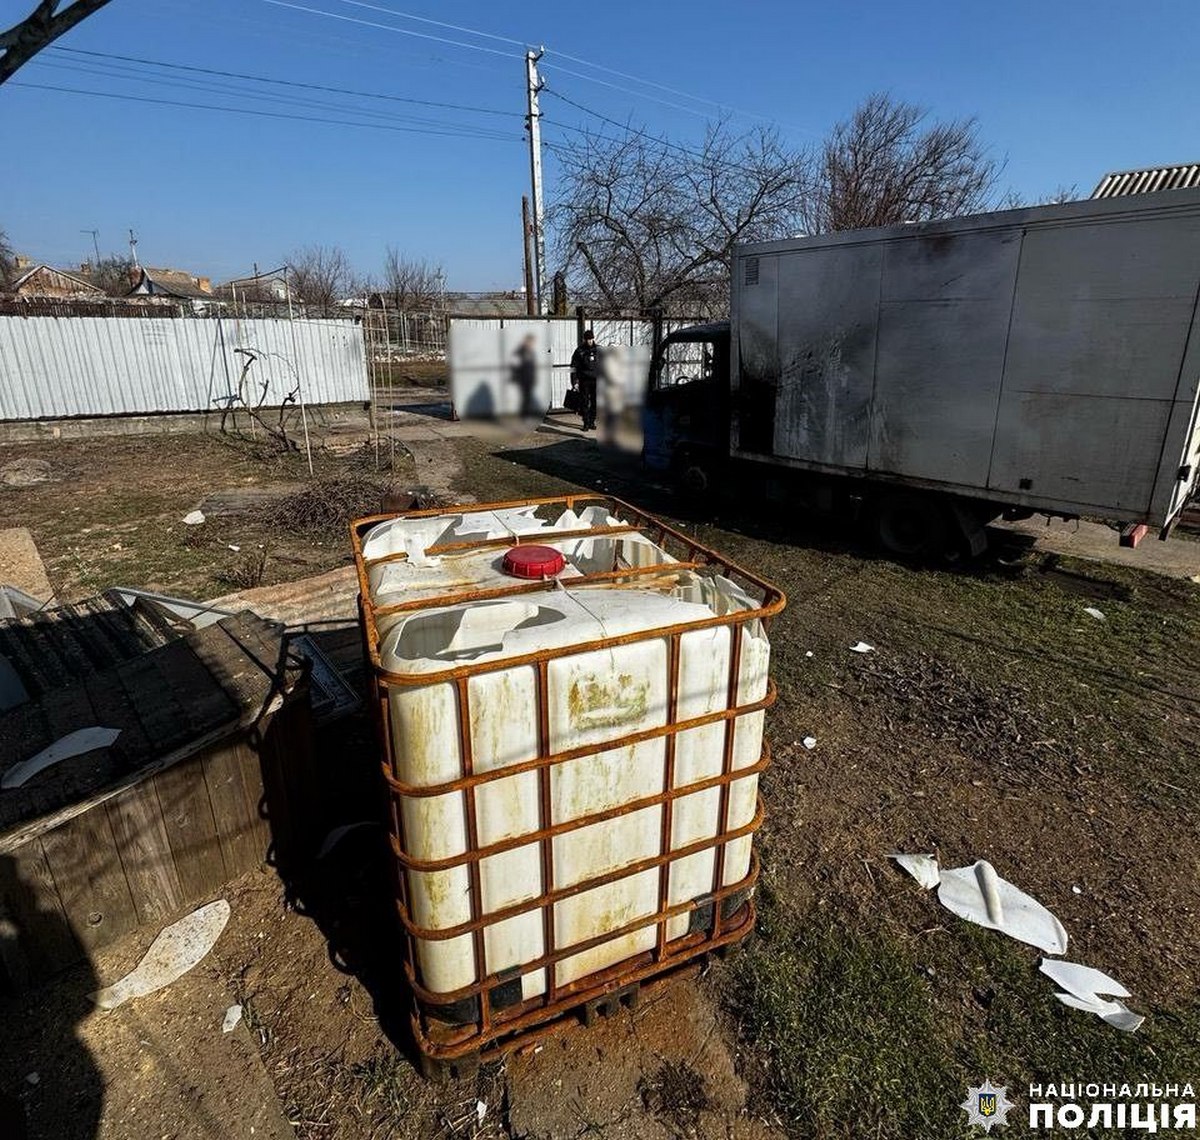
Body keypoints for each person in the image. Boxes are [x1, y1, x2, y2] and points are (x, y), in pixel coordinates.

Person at [569, 328, 602, 431]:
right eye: (588, 339)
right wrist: (574, 382)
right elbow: (574, 367)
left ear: (593, 338)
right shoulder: (579, 351)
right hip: (584, 380)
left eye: (591, 339)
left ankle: (592, 421)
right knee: (584, 402)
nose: (590, 341)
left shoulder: (599, 350)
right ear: (584, 340)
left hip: (596, 380)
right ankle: (586, 423)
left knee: (595, 402)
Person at [510, 333, 538, 419]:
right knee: (524, 398)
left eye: (532, 342)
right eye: (529, 341)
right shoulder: (519, 352)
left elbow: (533, 366)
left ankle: (526, 415)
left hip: (529, 378)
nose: (531, 344)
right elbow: (514, 365)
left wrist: (534, 377)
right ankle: (524, 416)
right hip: (522, 379)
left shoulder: (531, 352)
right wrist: (516, 376)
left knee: (528, 398)